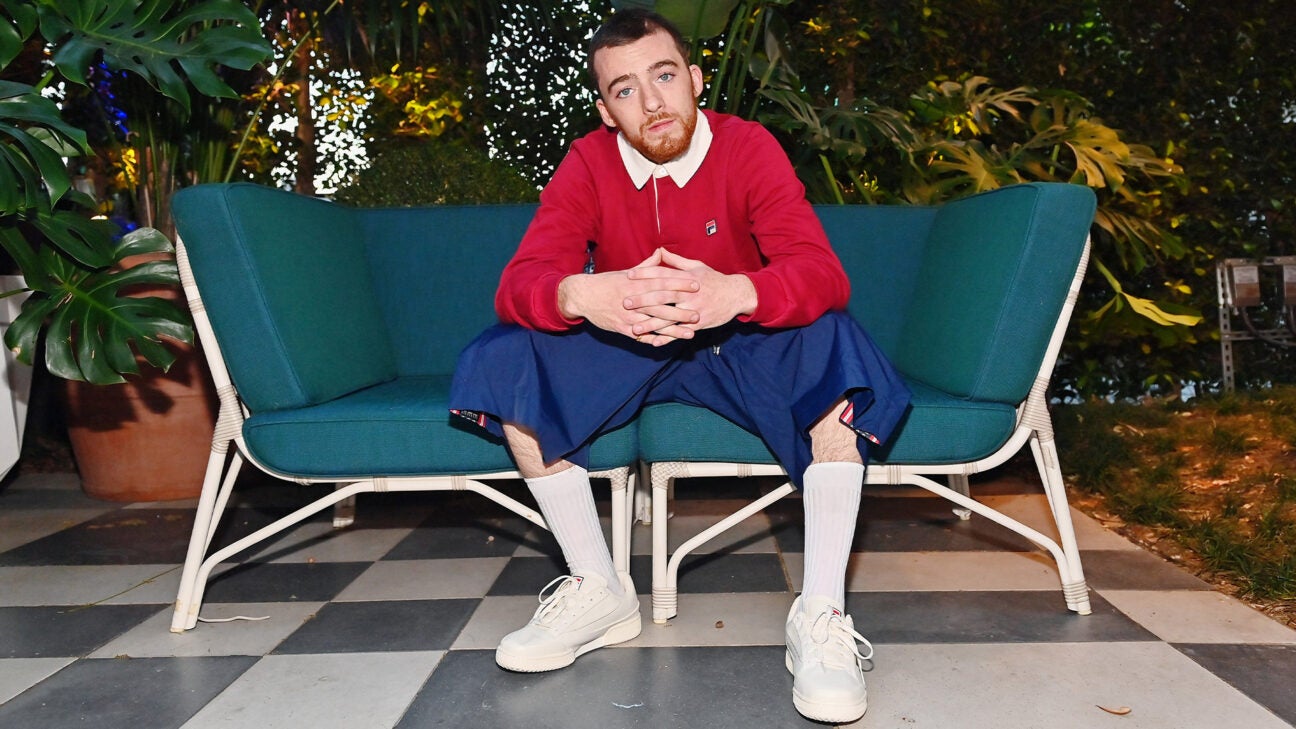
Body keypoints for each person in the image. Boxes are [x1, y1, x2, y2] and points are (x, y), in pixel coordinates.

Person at [449, 8, 910, 723]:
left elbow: (821, 272)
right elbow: (520, 281)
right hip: (628, 343)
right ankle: (599, 588)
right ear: (607, 111)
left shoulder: (747, 146)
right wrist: (583, 293)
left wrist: (737, 290)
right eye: (627, 89)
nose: (653, 102)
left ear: (694, 79)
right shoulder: (588, 162)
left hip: (738, 339)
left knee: (836, 342)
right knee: (503, 356)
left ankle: (819, 616)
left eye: (665, 76)